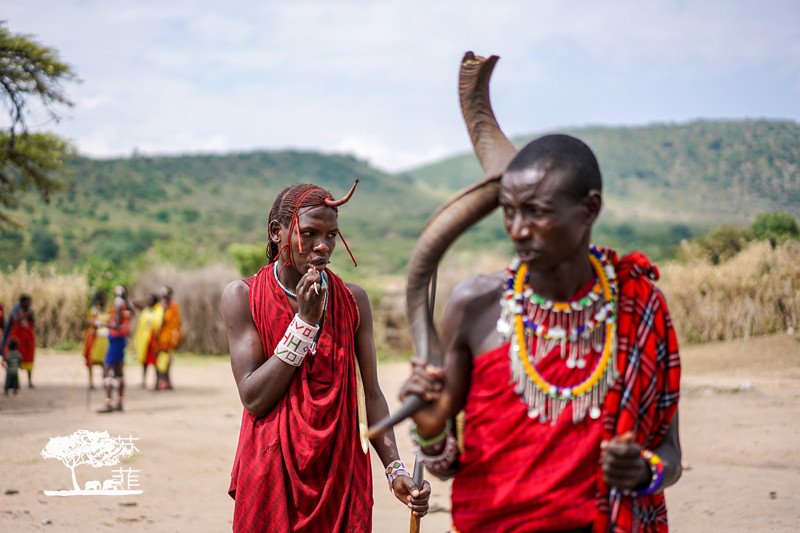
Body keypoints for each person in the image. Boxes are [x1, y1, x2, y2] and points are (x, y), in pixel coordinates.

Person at [400, 134, 682, 533]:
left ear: (589, 209)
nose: (517, 230)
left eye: (536, 212)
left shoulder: (638, 308)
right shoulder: (474, 306)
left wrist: (642, 472)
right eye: (509, 212)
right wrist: (430, 430)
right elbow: (446, 467)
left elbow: (669, 454)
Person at [222, 182, 431, 532]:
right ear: (277, 232)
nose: (323, 246)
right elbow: (254, 397)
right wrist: (303, 323)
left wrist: (395, 469)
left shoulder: (353, 300)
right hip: (274, 474)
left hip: (341, 473)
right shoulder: (244, 296)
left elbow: (372, 394)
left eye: (332, 235)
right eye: (309, 233)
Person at [98, 285, 133, 413]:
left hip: (116, 340)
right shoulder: (126, 305)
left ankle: (108, 403)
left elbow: (117, 326)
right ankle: (119, 402)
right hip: (120, 340)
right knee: (119, 372)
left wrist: (102, 324)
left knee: (107, 369)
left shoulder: (118, 304)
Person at [1, 294, 35, 388]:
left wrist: (30, 314)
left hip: (27, 338)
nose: (28, 303)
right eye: (27, 302)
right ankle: (10, 383)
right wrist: (26, 314)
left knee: (28, 359)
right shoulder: (17, 310)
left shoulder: (29, 311)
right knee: (13, 361)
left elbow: (32, 323)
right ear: (22, 302)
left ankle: (29, 381)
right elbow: (15, 319)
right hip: (18, 337)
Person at [134, 293, 163, 389]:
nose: (148, 302)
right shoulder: (146, 311)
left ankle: (156, 382)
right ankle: (143, 381)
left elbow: (158, 325)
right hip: (144, 340)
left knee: (155, 362)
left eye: (150, 300)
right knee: (144, 361)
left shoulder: (159, 311)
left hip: (154, 340)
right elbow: (135, 303)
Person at [154, 286, 181, 390]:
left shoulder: (174, 306)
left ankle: (167, 381)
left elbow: (176, 322)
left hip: (169, 338)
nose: (164, 297)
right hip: (159, 339)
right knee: (159, 361)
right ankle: (158, 382)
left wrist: (178, 336)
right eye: (162, 295)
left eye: (166, 295)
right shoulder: (158, 307)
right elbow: (157, 323)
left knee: (167, 361)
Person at [82, 290, 110, 389]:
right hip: (94, 338)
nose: (103, 301)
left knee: (104, 361)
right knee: (91, 360)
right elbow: (88, 322)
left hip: (104, 339)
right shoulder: (93, 310)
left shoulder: (108, 310)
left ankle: (105, 381)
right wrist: (94, 322)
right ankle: (90, 382)